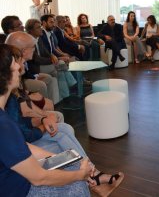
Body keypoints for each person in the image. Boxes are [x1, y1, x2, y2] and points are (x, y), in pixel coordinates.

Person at [5, 44, 125, 196]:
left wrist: (44, 119)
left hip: (26, 146)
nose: (21, 67)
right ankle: (94, 176)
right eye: (17, 63)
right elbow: (24, 138)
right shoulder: (5, 114)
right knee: (74, 172)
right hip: (21, 175)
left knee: (64, 129)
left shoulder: (9, 104)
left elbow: (20, 129)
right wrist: (43, 124)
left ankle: (93, 174)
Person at [0, 43, 92, 196]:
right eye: (14, 63)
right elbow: (38, 178)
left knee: (74, 165)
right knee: (77, 186)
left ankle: (89, 172)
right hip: (19, 189)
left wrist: (65, 159)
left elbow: (22, 147)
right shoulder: (4, 125)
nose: (19, 68)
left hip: (17, 177)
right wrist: (79, 175)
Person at [25, 18, 76, 101]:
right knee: (61, 64)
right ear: (30, 31)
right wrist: (54, 60)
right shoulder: (28, 41)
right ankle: (72, 84)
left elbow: (46, 53)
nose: (41, 28)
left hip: (43, 65)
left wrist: (54, 57)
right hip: (36, 68)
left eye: (40, 26)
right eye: (38, 27)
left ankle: (60, 100)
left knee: (57, 76)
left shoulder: (39, 39)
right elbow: (36, 60)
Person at [5, 31, 61, 104]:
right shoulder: (12, 66)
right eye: (33, 47)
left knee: (49, 78)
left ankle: (53, 103)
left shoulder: (19, 60)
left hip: (25, 84)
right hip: (18, 101)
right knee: (41, 86)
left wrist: (35, 76)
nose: (34, 50)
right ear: (24, 51)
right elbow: (16, 94)